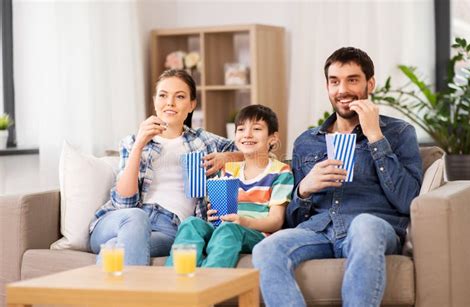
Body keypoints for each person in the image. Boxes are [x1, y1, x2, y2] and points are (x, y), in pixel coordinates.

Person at [252, 47, 423, 307]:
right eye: (335, 82)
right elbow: (294, 219)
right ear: (327, 86)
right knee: (266, 248)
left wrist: (375, 136)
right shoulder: (307, 142)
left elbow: (408, 200)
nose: (342, 90)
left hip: (372, 227)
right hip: (318, 231)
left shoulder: (399, 133)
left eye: (352, 80)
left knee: (364, 225)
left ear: (370, 83)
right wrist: (304, 190)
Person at [89, 69, 243, 265]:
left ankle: (110, 293)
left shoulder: (204, 141)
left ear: (191, 105)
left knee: (114, 248)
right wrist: (138, 147)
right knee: (136, 218)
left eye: (179, 97)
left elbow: (258, 153)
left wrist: (226, 157)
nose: (170, 102)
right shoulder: (133, 141)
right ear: (155, 101)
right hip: (121, 220)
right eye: (163, 95)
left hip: (168, 228)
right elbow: (123, 203)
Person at [165, 104, 294, 268]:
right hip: (225, 227)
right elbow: (219, 215)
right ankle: (174, 281)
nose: (247, 134)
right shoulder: (229, 170)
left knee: (229, 229)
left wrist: (243, 222)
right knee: (191, 223)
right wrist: (214, 214)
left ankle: (209, 286)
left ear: (273, 138)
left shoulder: (280, 172)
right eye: (240, 129)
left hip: (256, 234)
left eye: (256, 129)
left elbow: (276, 221)